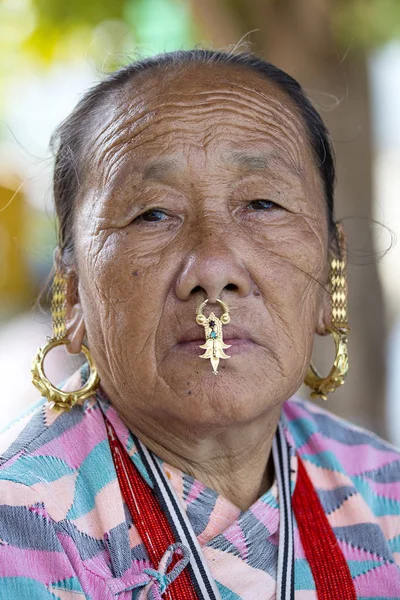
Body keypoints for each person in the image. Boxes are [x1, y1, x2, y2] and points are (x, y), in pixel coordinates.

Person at [0, 49, 399, 600]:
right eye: (152, 214)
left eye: (262, 204)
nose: (212, 268)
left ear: (330, 279)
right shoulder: (19, 529)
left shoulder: (384, 493)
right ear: (71, 295)